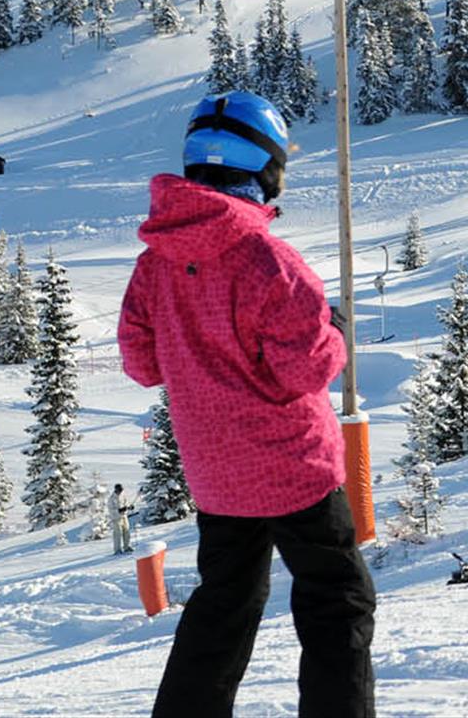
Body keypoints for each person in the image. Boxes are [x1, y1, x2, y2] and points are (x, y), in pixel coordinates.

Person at [118, 90, 376, 718]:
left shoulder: (155, 263)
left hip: (218, 476)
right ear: (263, 171)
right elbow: (304, 371)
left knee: (224, 604)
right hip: (295, 471)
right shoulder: (269, 261)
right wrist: (333, 331)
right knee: (336, 599)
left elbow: (141, 362)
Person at [109, 483, 136, 555]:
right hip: (116, 518)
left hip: (124, 517)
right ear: (116, 490)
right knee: (118, 534)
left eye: (121, 490)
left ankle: (127, 547)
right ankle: (117, 550)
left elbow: (126, 504)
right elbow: (111, 510)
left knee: (126, 532)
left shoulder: (123, 495)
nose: (120, 492)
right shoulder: (111, 499)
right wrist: (119, 510)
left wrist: (129, 507)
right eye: (119, 490)